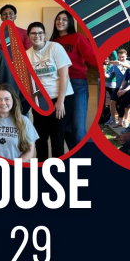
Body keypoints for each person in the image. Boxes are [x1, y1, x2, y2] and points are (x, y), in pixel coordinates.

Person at [50, 10, 97, 147]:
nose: (60, 22)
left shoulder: (78, 38)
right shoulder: (53, 42)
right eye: (58, 19)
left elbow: (92, 58)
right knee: (64, 128)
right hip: (59, 87)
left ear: (70, 22)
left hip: (77, 84)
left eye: (65, 19)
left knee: (77, 127)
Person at [26, 22, 73, 159]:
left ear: (44, 34)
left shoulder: (55, 47)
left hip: (61, 97)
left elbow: (64, 76)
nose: (37, 36)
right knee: (40, 137)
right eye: (33, 33)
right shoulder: (27, 55)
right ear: (28, 36)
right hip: (40, 99)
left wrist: (60, 101)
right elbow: (30, 83)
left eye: (40, 33)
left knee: (57, 137)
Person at [0, 84, 38, 161]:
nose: (3, 103)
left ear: (13, 100)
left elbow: (30, 151)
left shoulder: (24, 121)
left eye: (7, 99)